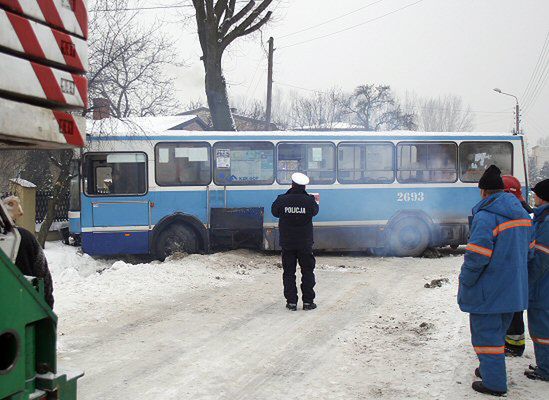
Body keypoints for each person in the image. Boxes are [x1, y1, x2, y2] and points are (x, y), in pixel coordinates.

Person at [458, 165, 532, 396]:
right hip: (514, 289)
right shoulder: (522, 216)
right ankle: (490, 369)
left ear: (483, 192)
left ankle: (494, 383)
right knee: (497, 333)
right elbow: (529, 253)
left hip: (489, 290)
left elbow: (477, 257)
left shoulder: (486, 217)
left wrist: (465, 280)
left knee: (486, 336)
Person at [271, 172, 319, 311]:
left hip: (287, 243)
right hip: (305, 244)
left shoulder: (282, 199)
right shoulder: (310, 201)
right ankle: (308, 302)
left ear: (292, 184)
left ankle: (291, 302)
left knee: (289, 273)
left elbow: (274, 212)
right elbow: (315, 212)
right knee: (308, 272)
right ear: (304, 186)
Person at [2, 196, 54, 308]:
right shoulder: (25, 238)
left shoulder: (22, 238)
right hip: (24, 312)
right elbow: (44, 278)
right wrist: (47, 310)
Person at [502, 175, 533, 357]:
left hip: (516, 268)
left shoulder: (515, 213)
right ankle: (514, 342)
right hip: (520, 267)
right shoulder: (526, 211)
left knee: (512, 309)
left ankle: (514, 345)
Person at [525, 179, 549, 381]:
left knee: (542, 329)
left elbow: (541, 260)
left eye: (536, 194)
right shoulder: (542, 219)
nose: (534, 197)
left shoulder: (546, 222)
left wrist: (528, 283)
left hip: (543, 287)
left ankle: (546, 369)